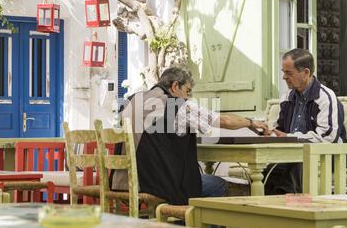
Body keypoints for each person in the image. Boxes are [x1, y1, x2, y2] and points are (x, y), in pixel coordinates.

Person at [111, 66, 270, 205]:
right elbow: (225, 121)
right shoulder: (175, 105)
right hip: (154, 184)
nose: (188, 98)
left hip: (122, 181)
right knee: (217, 185)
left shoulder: (133, 100)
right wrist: (251, 122)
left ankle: (180, 227)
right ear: (175, 86)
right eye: (187, 91)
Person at [264, 48, 347, 195]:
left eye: (289, 73)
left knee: (293, 170)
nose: (284, 77)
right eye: (283, 72)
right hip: (293, 155)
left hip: (326, 155)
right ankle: (272, 212)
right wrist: (270, 133)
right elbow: (281, 129)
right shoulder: (287, 97)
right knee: (267, 174)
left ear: (306, 73)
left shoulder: (325, 97)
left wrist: (289, 138)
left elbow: (328, 138)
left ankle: (293, 211)